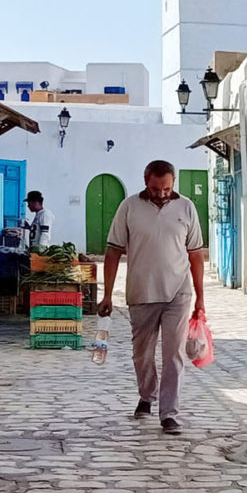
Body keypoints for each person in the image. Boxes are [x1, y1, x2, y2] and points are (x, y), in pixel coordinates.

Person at [96, 159, 206, 436]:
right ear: (146, 182)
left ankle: (169, 413)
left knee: (174, 354)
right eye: (156, 188)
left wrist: (200, 298)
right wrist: (107, 293)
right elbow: (112, 251)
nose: (161, 193)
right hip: (141, 292)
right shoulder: (129, 207)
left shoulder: (186, 207)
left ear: (173, 183)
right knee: (142, 354)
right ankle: (147, 394)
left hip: (178, 293)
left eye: (166, 188)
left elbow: (195, 255)